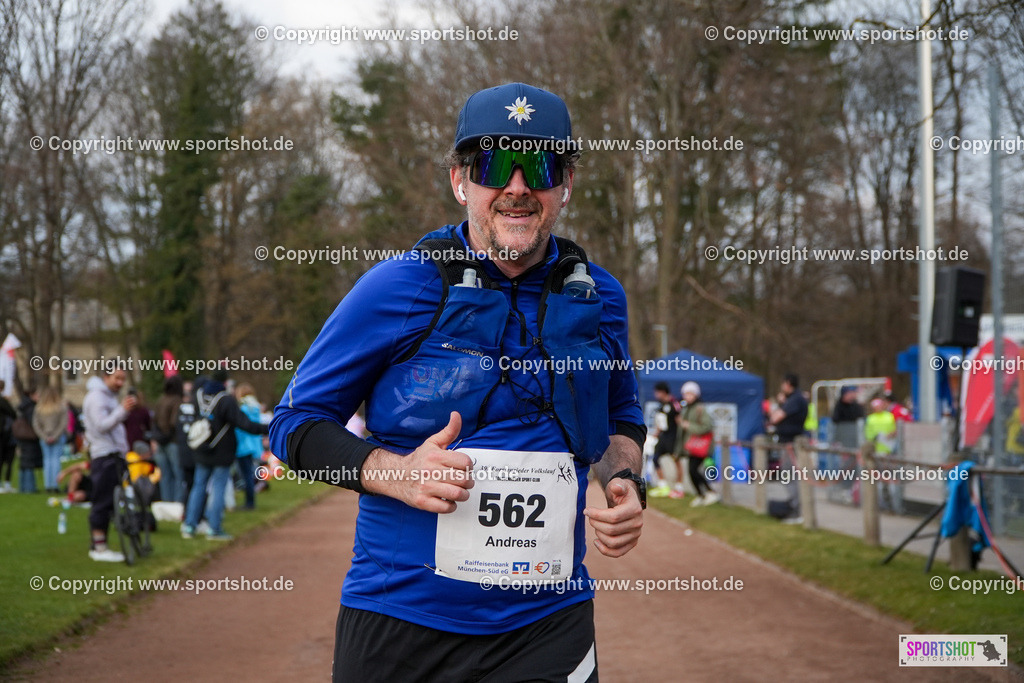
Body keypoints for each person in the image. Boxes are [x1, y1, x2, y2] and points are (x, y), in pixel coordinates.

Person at [270, 82, 646, 682]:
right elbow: (293, 426)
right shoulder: (397, 287)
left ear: (565, 184)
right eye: (494, 165)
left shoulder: (601, 296)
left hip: (549, 625)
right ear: (460, 181)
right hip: (402, 623)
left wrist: (624, 478)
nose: (517, 186)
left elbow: (622, 422)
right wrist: (395, 473)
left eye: (541, 165)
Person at [181, 370, 267, 540]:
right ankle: (214, 528)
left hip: (202, 449)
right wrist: (269, 428)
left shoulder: (198, 396)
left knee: (198, 486)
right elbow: (245, 424)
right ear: (225, 382)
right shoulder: (226, 400)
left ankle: (190, 525)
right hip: (222, 452)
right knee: (218, 488)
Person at [82, 369, 137, 562]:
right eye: (117, 378)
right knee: (103, 501)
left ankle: (99, 544)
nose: (121, 383)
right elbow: (101, 425)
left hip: (114, 454)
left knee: (109, 501)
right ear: (106, 377)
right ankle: (99, 548)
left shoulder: (108, 397)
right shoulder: (97, 398)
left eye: (123, 379)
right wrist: (123, 410)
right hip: (105, 455)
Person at [768, 373, 808, 522]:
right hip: (789, 442)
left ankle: (796, 510)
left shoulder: (795, 399)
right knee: (789, 475)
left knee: (790, 476)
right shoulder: (795, 399)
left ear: (788, 384)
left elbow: (775, 417)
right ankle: (795, 506)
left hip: (791, 443)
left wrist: (778, 406)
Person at [674, 381, 717, 507]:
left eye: (690, 394)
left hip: (701, 446)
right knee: (691, 471)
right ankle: (701, 495)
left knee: (693, 470)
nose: (687, 396)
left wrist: (688, 425)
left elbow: (707, 426)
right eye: (685, 394)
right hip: (691, 446)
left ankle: (710, 492)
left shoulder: (700, 409)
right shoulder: (686, 409)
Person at [865, 397, 902, 513]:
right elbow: (868, 434)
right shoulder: (870, 419)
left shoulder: (889, 416)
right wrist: (875, 438)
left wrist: (891, 436)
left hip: (889, 451)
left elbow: (895, 431)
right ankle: (881, 503)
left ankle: (893, 504)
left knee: (890, 477)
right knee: (879, 479)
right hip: (877, 451)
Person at [153, 376, 185, 503]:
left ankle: (166, 503)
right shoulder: (177, 401)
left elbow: (154, 420)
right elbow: (174, 422)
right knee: (178, 475)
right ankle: (177, 503)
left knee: (165, 476)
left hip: (160, 442)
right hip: (173, 442)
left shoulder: (161, 400)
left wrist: (158, 436)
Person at [32, 385, 68, 493]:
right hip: (57, 436)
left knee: (47, 461)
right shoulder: (60, 407)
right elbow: (63, 423)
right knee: (56, 460)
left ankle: (48, 485)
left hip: (45, 436)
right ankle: (55, 485)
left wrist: (44, 436)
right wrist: (55, 435)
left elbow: (36, 424)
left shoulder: (39, 408)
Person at [233, 382, 263, 510]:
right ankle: (250, 501)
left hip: (243, 446)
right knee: (250, 474)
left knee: (246, 476)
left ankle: (249, 503)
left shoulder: (243, 409)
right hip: (254, 445)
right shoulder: (255, 408)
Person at [649, 381, 681, 498]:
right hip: (663, 437)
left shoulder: (675, 403)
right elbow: (661, 423)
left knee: (676, 460)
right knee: (655, 458)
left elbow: (679, 420)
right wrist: (655, 434)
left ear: (662, 392)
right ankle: (663, 486)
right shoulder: (661, 406)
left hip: (673, 437)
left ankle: (679, 487)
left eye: (657, 392)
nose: (655, 395)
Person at [15, 386, 42, 493]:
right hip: (30, 437)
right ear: (32, 395)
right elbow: (33, 422)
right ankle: (29, 487)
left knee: (24, 462)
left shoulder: (23, 406)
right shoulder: (31, 407)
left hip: (23, 436)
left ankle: (23, 486)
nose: (39, 397)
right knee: (29, 462)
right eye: (37, 395)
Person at [0, 381, 17, 493]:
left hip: (5, 434)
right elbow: (13, 413)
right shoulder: (3, 401)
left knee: (7, 459)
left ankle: (6, 483)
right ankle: (5, 483)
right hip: (3, 434)